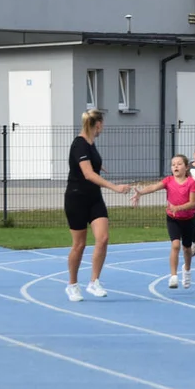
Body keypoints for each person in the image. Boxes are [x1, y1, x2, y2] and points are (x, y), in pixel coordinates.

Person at [64, 109, 131, 302]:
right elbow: (88, 174)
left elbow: (91, 165)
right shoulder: (79, 144)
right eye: (103, 125)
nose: (103, 128)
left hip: (94, 198)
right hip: (76, 199)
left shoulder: (91, 144)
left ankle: (94, 281)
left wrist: (98, 165)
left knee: (102, 238)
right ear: (98, 124)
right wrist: (115, 187)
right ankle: (72, 285)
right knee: (79, 245)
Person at [132, 155, 195, 289]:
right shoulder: (168, 181)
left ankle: (187, 270)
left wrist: (178, 208)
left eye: (179, 164)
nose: (175, 166)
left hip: (188, 219)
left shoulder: (191, 183)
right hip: (172, 219)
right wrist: (140, 192)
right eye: (173, 164)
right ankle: (173, 276)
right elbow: (153, 187)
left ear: (186, 167)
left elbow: (192, 204)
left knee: (186, 248)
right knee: (175, 245)